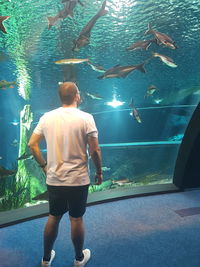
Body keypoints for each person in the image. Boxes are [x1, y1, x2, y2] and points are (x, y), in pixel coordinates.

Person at [28, 82, 103, 267]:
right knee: (76, 218)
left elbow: (32, 144)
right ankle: (78, 259)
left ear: (60, 97)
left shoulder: (47, 117)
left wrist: (44, 165)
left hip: (55, 179)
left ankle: (46, 259)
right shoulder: (86, 118)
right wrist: (99, 171)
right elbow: (95, 150)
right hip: (78, 180)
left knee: (54, 216)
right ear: (77, 95)